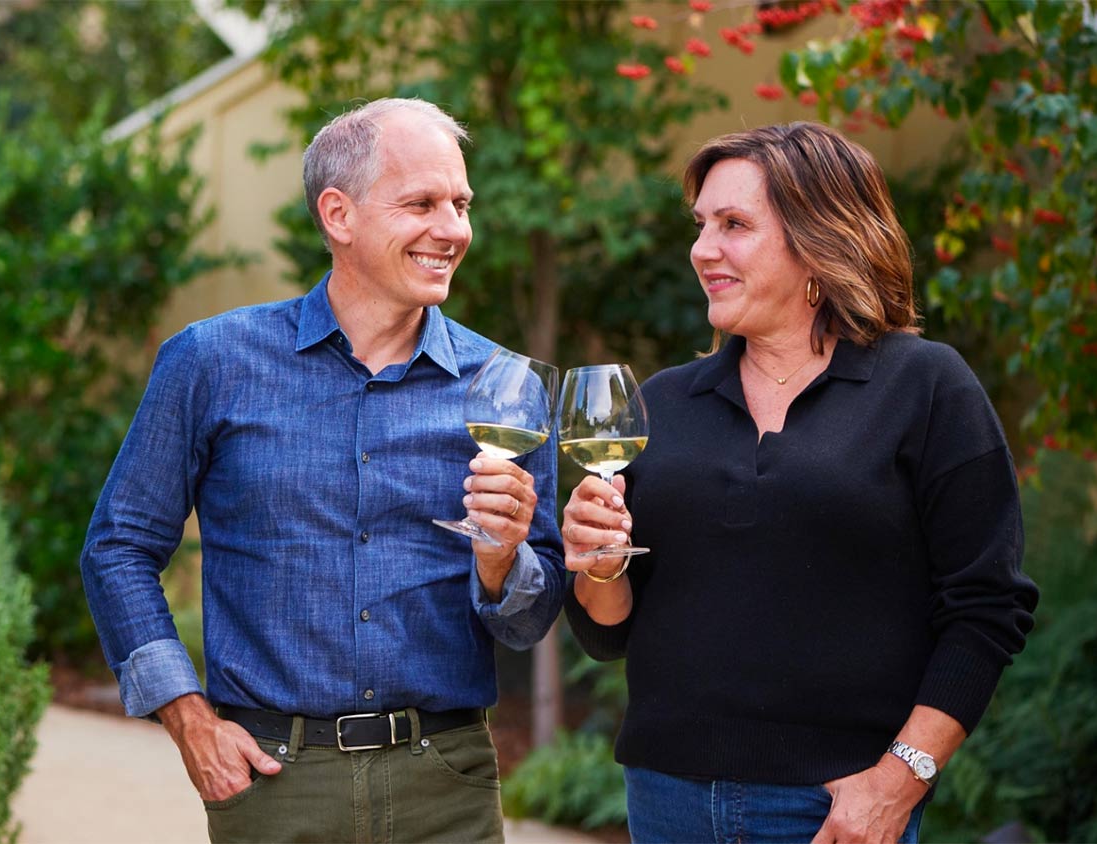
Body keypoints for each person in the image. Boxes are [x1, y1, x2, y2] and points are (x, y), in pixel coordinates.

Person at [80, 97, 567, 843]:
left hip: (449, 782)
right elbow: (118, 547)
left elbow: (533, 619)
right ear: (338, 215)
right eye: (422, 203)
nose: (453, 229)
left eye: (461, 204)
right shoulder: (211, 362)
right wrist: (186, 718)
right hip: (275, 785)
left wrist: (502, 564)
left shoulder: (504, 387)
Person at [561, 122, 1038, 843]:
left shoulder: (926, 387)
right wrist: (597, 566)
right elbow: (611, 631)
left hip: (835, 811)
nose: (702, 249)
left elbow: (987, 608)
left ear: (819, 239)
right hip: (666, 803)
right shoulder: (662, 404)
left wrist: (898, 783)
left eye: (734, 225)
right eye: (701, 226)